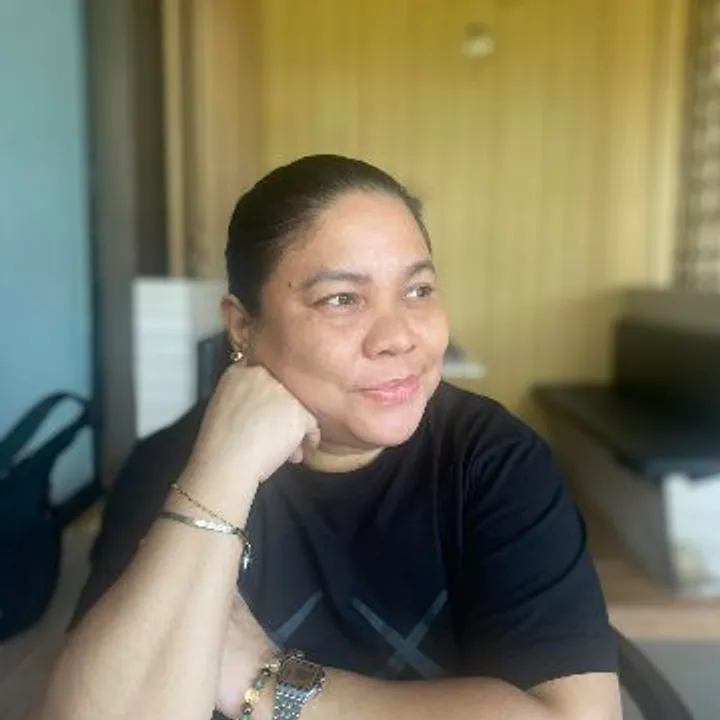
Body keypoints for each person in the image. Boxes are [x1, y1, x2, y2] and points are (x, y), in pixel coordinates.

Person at [43, 155, 621, 720]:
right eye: (341, 299)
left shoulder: (492, 460)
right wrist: (221, 476)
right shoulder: (173, 463)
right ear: (243, 327)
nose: (398, 337)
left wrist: (265, 679)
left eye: (418, 290)